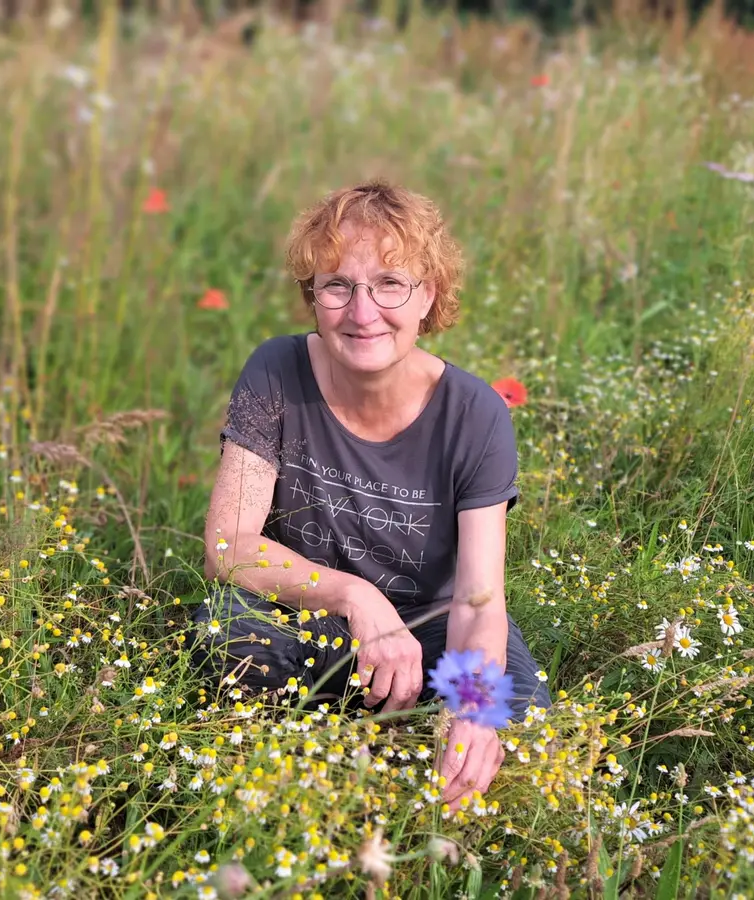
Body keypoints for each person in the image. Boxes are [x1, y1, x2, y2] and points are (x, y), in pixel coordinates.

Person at [191, 178, 551, 809]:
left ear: (427, 297)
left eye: (390, 284)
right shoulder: (275, 372)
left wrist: (471, 707)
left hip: (436, 629)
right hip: (306, 617)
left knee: (515, 732)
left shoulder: (474, 414)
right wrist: (354, 596)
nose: (363, 312)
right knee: (225, 636)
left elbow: (476, 599)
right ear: (313, 296)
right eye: (339, 286)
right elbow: (229, 546)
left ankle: (394, 748)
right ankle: (326, 765)